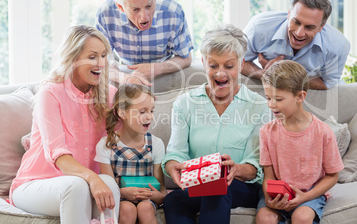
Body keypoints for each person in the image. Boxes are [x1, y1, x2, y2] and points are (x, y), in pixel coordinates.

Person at [9, 25, 120, 222]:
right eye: (93, 57)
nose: (101, 63)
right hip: (36, 184)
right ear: (74, 59)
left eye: (104, 55)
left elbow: (124, 142)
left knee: (109, 185)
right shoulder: (51, 93)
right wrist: (93, 178)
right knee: (75, 186)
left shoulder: (109, 95)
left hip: (84, 184)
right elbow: (58, 155)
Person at [162, 24, 270, 224]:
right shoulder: (185, 103)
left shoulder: (259, 106)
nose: (221, 74)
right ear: (203, 63)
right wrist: (173, 167)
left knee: (219, 187)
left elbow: (256, 165)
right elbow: (175, 153)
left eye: (229, 66)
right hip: (197, 185)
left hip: (240, 187)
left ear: (241, 63)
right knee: (173, 200)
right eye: (213, 66)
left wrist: (237, 169)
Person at [256, 60, 344, 224]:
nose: (271, 104)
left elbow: (332, 176)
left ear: (300, 96)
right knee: (264, 218)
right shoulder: (266, 132)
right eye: (268, 98)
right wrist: (269, 199)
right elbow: (269, 177)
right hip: (278, 194)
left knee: (301, 217)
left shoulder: (323, 132)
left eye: (278, 99)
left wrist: (306, 197)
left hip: (309, 192)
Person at [96, 0, 194, 86]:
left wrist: (155, 69)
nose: (144, 17)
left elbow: (186, 58)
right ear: (121, 7)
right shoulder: (105, 14)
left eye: (149, 6)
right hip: (123, 70)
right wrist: (124, 77)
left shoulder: (173, 12)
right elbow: (101, 61)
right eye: (135, 9)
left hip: (163, 70)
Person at [241, 0, 350, 90]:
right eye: (296, 22)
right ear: (289, 14)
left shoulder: (338, 46)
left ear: (322, 26)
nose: (299, 33)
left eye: (309, 27)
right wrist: (264, 74)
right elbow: (237, 61)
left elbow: (328, 83)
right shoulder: (258, 27)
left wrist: (284, 76)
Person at [95, 84, 166, 224]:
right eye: (142, 112)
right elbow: (108, 189)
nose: (149, 117)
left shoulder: (156, 144)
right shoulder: (106, 145)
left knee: (145, 207)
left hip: (147, 200)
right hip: (119, 199)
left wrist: (155, 195)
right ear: (122, 113)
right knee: (127, 209)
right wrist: (123, 192)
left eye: (152, 111)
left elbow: (162, 191)